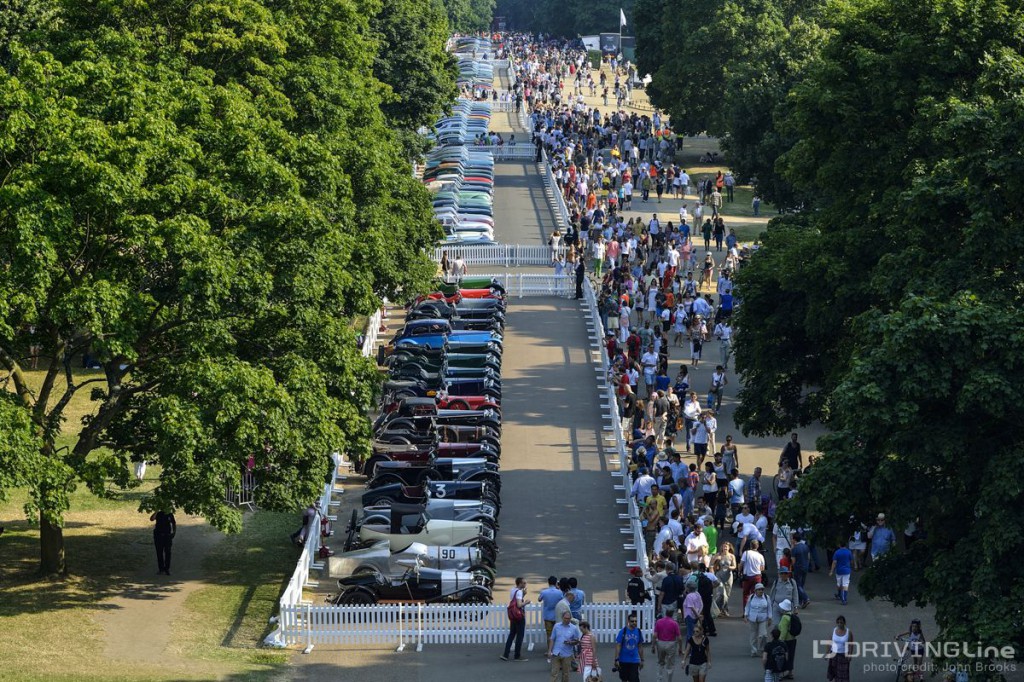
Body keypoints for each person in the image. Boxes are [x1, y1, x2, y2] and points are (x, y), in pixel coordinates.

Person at [548, 610, 582, 682]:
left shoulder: (574, 628)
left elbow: (577, 641)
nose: (567, 620)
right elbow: (552, 639)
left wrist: (571, 642)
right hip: (556, 653)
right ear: (562, 618)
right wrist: (549, 651)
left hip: (567, 654)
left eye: (569, 618)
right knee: (554, 673)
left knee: (566, 674)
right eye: (566, 618)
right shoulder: (556, 626)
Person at [501, 577, 530, 661]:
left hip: (513, 615)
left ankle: (505, 654)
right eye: (524, 583)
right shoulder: (519, 592)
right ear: (520, 583)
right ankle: (517, 655)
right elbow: (519, 605)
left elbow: (514, 600)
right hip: (519, 616)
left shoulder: (513, 590)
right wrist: (526, 602)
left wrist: (523, 595)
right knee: (520, 636)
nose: (525, 584)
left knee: (512, 634)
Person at [651, 610, 682, 682]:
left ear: (665, 613)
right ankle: (669, 680)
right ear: (672, 614)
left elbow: (655, 635)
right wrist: (680, 648)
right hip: (671, 643)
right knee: (670, 664)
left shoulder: (659, 622)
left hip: (661, 643)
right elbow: (679, 638)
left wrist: (653, 646)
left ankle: (659, 679)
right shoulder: (674, 623)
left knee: (660, 662)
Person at [614, 612, 644, 682]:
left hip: (634, 660)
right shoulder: (623, 631)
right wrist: (616, 659)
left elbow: (640, 646)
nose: (634, 623)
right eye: (632, 621)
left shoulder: (638, 631)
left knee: (634, 679)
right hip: (623, 660)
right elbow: (618, 645)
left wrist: (642, 660)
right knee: (624, 678)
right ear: (628, 621)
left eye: (635, 621)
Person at [745, 582, 772, 657]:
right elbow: (747, 607)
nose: (761, 591)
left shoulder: (767, 597)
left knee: (764, 635)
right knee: (753, 635)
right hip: (752, 618)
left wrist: (770, 618)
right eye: (759, 590)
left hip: (763, 618)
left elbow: (769, 608)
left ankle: (762, 649)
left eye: (762, 590)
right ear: (755, 591)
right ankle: (754, 650)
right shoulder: (751, 597)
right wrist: (746, 615)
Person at [541, 576, 565, 648]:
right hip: (557, 615)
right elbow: (563, 600)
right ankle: (558, 648)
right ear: (556, 583)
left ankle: (550, 649)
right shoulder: (559, 592)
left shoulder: (544, 592)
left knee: (549, 634)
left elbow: (539, 599)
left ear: (548, 583)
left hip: (547, 616)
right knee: (558, 633)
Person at [150, 509, 176, 575]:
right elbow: (151, 519)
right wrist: (156, 511)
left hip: (167, 535)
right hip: (158, 536)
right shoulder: (158, 513)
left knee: (168, 552)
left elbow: (173, 523)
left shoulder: (169, 514)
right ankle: (161, 569)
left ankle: (167, 568)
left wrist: (174, 532)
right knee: (159, 552)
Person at [828, 615, 853, 682]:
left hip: (844, 655)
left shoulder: (848, 632)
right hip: (834, 654)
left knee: (843, 673)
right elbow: (830, 642)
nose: (839, 624)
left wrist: (850, 655)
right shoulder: (834, 630)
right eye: (838, 622)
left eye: (841, 622)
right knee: (835, 671)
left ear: (844, 623)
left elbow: (851, 644)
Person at [777, 599, 798, 680]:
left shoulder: (784, 618)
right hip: (793, 639)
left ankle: (781, 674)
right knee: (791, 656)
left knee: (782, 657)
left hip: (786, 640)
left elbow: (783, 631)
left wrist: (780, 640)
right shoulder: (792, 616)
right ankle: (790, 673)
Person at [829, 540, 853, 605]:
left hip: (839, 570)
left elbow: (834, 562)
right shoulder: (849, 552)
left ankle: (840, 594)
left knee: (839, 584)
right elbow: (851, 560)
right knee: (845, 584)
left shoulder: (837, 552)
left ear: (839, 545)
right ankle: (844, 599)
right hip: (847, 570)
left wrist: (831, 571)